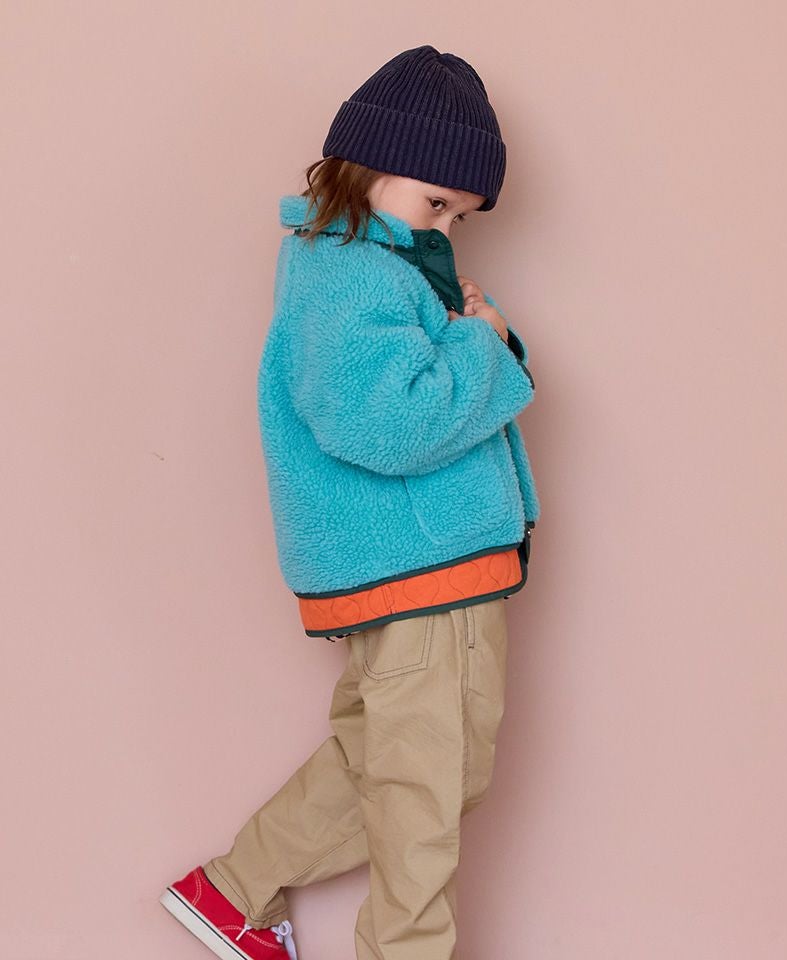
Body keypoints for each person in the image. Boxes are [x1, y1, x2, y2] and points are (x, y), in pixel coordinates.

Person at [159, 43, 541, 960]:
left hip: (415, 567)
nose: (446, 226)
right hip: (425, 569)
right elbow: (392, 424)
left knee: (397, 766)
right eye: (436, 203)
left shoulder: (357, 265)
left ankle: (231, 892)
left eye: (459, 214)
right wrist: (484, 343)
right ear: (368, 164)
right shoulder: (354, 273)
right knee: (423, 798)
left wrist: (462, 330)